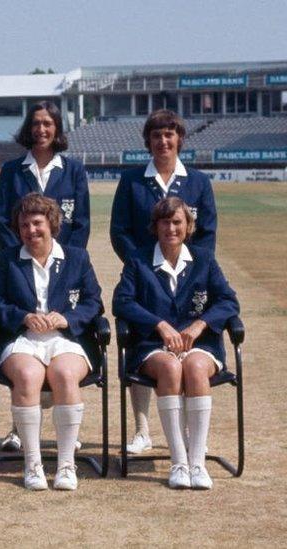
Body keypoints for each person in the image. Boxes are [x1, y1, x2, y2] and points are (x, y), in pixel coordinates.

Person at [110, 109, 219, 456]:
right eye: (156, 136)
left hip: (186, 280)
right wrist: (143, 266)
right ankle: (142, 429)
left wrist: (188, 265)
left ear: (180, 140)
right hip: (144, 276)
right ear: (148, 141)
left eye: (169, 135)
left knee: (187, 358)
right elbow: (119, 230)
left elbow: (207, 233)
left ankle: (187, 434)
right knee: (146, 341)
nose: (163, 141)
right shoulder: (132, 180)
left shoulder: (198, 182)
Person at [113, 197, 238, 490]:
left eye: (177, 222)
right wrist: (159, 324)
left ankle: (197, 463)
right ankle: (179, 463)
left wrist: (200, 324)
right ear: (155, 226)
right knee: (170, 368)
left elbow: (228, 300)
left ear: (188, 226)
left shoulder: (204, 259)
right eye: (165, 222)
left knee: (195, 368)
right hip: (151, 346)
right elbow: (122, 302)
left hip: (200, 345)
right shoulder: (138, 259)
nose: (171, 228)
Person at [0, 194, 102, 491]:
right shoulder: (8, 259)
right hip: (23, 340)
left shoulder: (77, 257)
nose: (31, 230)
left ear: (52, 223)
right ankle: (32, 463)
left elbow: (93, 302)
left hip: (65, 339)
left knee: (63, 374)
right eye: (24, 225)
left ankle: (65, 465)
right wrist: (23, 317)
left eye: (37, 223)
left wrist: (66, 319)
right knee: (27, 375)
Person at [0, 100, 90, 453]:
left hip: (61, 270)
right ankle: (18, 428)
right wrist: (20, 256)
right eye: (36, 123)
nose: (41, 129)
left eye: (48, 123)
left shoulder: (74, 170)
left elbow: (80, 224)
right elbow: (3, 221)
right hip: (21, 267)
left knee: (62, 362)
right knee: (24, 358)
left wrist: (62, 260)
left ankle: (68, 431)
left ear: (57, 129)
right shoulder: (13, 170)